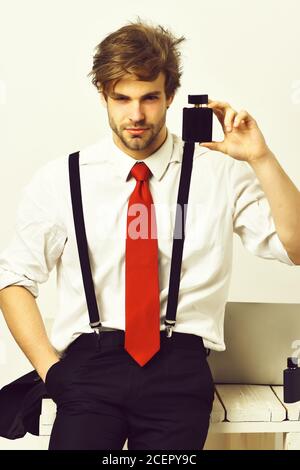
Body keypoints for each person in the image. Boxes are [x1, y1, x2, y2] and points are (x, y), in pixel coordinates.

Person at [0, 18, 299, 451]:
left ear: (170, 95)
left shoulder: (220, 174)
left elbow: (295, 248)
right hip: (89, 368)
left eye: (149, 98)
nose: (136, 115)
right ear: (103, 95)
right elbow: (13, 281)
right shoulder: (62, 179)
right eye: (121, 98)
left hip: (179, 369)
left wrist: (262, 158)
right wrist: (53, 372)